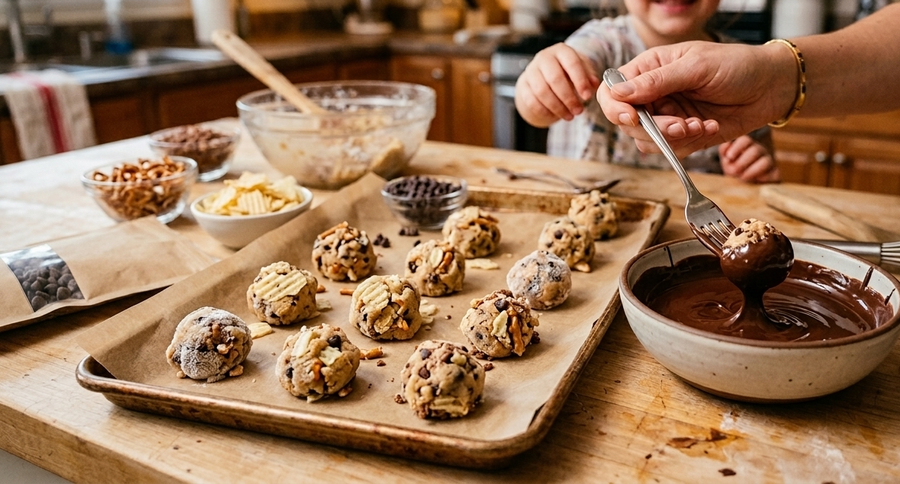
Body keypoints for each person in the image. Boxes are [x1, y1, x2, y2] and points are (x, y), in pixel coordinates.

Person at [515, 0, 780, 183]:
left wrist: (752, 168)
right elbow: (535, 111)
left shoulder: (744, 66)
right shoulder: (600, 42)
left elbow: (763, 159)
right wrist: (540, 87)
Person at [598, 4, 900, 158]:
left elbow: (764, 165)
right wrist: (553, 67)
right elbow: (570, 65)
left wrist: (757, 171)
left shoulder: (736, 55)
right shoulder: (600, 43)